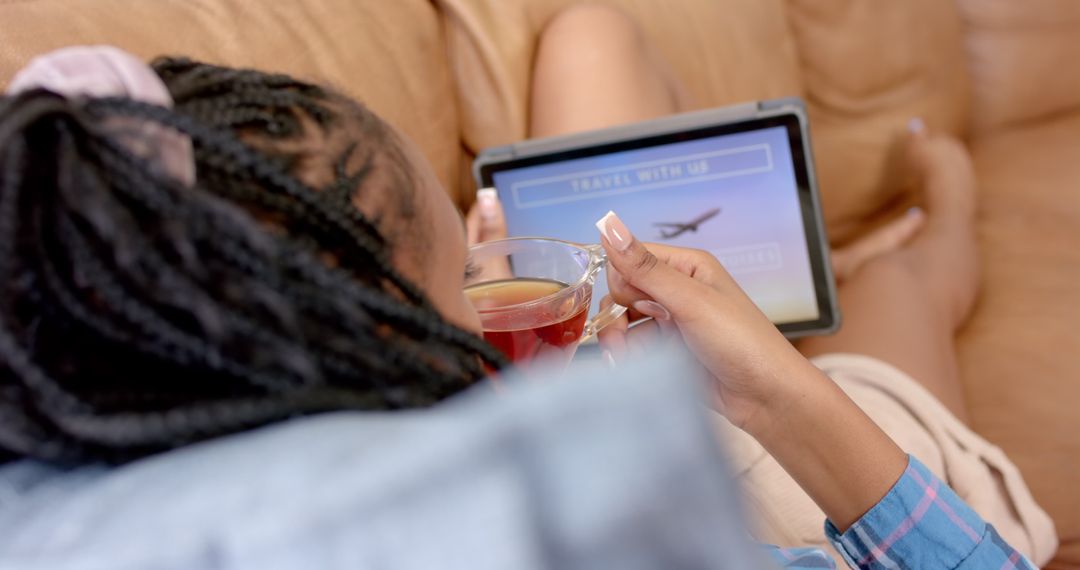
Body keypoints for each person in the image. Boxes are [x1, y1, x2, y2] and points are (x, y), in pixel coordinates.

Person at [0, 36, 1051, 570]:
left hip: (648, 413)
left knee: (593, 34)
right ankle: (939, 197)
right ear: (379, 338)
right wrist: (787, 397)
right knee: (892, 303)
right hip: (816, 482)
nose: (488, 272)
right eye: (465, 269)